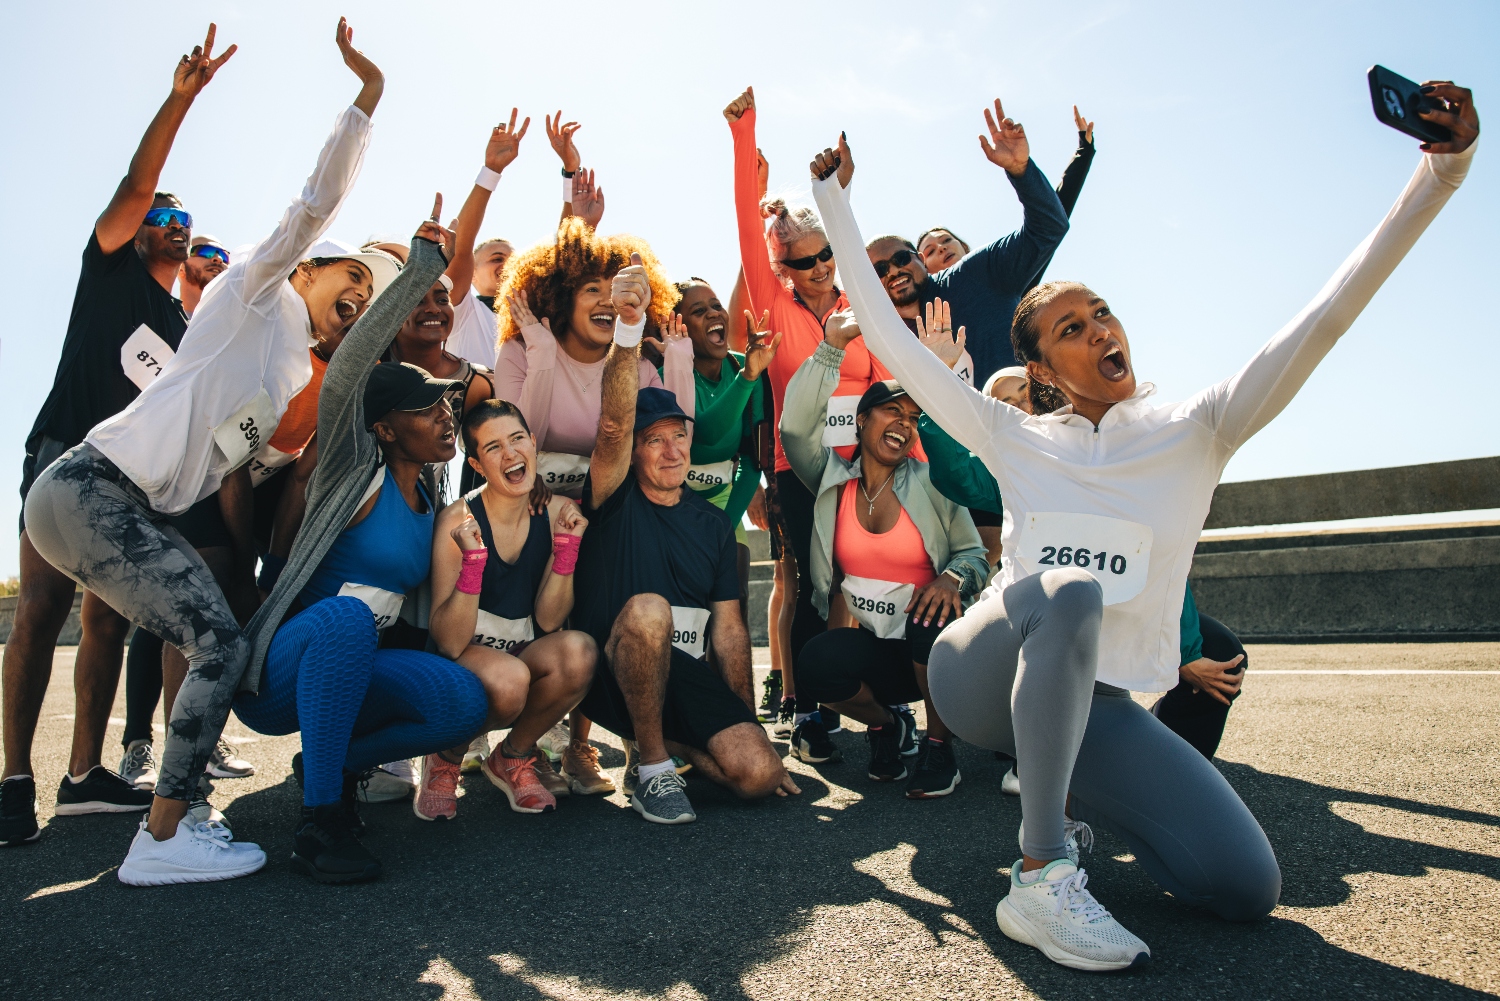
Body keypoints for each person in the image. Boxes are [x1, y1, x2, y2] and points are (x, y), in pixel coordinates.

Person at [806, 80, 1477, 969]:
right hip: (976, 674)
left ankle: (1074, 814)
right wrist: (834, 203)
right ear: (1040, 366)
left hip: (1098, 702)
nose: (1100, 330)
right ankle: (1040, 875)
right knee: (1070, 590)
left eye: (1103, 313)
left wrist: (1444, 170)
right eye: (1071, 327)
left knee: (1245, 888)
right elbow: (889, 339)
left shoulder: (1197, 425)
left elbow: (1327, 317)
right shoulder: (1012, 431)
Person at [22, 19, 392, 885]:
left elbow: (225, 463)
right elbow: (313, 205)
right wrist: (365, 103)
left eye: (370, 296)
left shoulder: (290, 361)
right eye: (352, 280)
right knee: (218, 643)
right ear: (307, 270)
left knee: (208, 634)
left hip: (112, 504)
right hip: (88, 486)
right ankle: (163, 836)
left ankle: (163, 809)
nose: (360, 298)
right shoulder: (253, 295)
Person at [0, 24, 237, 849]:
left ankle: (81, 778)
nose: (175, 223)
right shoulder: (109, 266)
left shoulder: (178, 319)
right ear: (139, 230)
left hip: (124, 488)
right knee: (41, 610)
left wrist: (203, 288)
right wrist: (180, 101)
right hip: (61, 456)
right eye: (165, 217)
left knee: (108, 624)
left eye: (189, 220)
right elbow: (137, 186)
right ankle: (11, 780)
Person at [235, 212, 499, 881]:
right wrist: (420, 269)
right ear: (382, 428)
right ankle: (321, 821)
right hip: (281, 674)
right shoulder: (353, 474)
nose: (446, 416)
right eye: (426, 409)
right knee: (348, 619)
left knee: (463, 703)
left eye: (447, 406)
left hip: (352, 674)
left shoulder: (436, 501)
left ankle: (333, 761)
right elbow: (352, 367)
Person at [914, 388, 1248, 782]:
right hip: (1044, 617)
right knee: (1056, 643)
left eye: (1021, 394)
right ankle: (1034, 750)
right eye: (1000, 399)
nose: (1013, 405)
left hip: (1119, 609)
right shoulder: (1018, 461)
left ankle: (1167, 770)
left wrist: (1185, 653)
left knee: (1221, 651)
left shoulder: (1121, 458)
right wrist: (935, 401)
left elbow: (1160, 569)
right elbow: (957, 475)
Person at [569, 255, 800, 824]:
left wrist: (742, 719)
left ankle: (670, 749)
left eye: (679, 436)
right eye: (654, 440)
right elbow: (614, 424)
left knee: (757, 775)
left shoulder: (710, 523)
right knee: (649, 612)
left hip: (685, 674)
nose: (671, 450)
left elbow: (728, 631)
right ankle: (650, 768)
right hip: (608, 672)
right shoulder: (614, 496)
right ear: (634, 451)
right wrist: (628, 329)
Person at [724, 86, 899, 757]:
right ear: (779, 267)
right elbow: (746, 216)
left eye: (828, 254)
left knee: (876, 580)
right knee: (809, 582)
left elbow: (887, 379)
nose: (822, 268)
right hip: (801, 463)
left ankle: (885, 708)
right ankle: (810, 713)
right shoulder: (772, 302)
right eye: (804, 261)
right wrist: (745, 134)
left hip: (870, 460)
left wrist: (835, 189)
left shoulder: (857, 296)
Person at [780, 326, 988, 797]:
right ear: (862, 419)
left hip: (936, 652)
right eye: (893, 410)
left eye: (913, 418)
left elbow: (973, 553)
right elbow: (794, 428)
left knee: (929, 613)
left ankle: (940, 747)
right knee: (816, 663)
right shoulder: (833, 481)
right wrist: (832, 348)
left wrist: (952, 578)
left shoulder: (933, 482)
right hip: (880, 652)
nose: (903, 423)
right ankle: (886, 726)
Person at [425, 400, 598, 814]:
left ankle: (514, 756)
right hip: (468, 663)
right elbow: (448, 643)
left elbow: (550, 619)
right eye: (494, 447)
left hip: (523, 654)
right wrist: (472, 566)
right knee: (509, 679)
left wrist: (566, 553)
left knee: (580, 652)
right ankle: (444, 760)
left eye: (518, 439)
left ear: (534, 443)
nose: (511, 453)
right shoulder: (458, 519)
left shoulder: (558, 511)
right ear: (478, 465)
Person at [865, 98, 1070, 386]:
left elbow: (1049, 228)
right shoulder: (881, 338)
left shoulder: (977, 273)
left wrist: (1021, 171)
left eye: (901, 259)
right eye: (879, 270)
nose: (893, 271)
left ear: (919, 260)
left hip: (1036, 421)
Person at [669, 283, 780, 625]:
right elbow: (702, 433)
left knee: (733, 596)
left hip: (722, 505)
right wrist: (747, 378)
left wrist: (724, 525)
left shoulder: (749, 367)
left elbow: (752, 459)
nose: (714, 313)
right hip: (670, 507)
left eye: (716, 305)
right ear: (680, 326)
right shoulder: (666, 375)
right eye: (699, 311)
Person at [917, 105, 1097, 287]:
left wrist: (1084, 153)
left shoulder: (1006, 280)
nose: (941, 248)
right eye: (930, 252)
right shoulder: (918, 310)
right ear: (922, 270)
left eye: (946, 240)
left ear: (964, 247)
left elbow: (1050, 218)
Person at [444, 109, 530, 370]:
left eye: (514, 261)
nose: (507, 265)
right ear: (472, 275)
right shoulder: (463, 313)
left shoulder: (534, 326)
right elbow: (460, 248)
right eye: (496, 259)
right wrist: (491, 171)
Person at [179, 235, 229, 315]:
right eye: (205, 251)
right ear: (181, 268)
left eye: (224, 256)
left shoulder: (236, 324)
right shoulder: (160, 318)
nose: (218, 258)